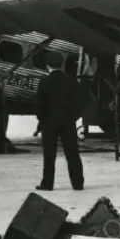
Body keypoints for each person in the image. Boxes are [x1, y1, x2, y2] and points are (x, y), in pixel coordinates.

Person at [34, 51, 84, 191]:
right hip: (68, 120)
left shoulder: (44, 82)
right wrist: (74, 116)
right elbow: (80, 102)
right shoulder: (71, 81)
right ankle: (77, 183)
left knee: (49, 154)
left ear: (48, 66)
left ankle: (47, 183)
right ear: (61, 64)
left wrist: (42, 119)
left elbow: (39, 105)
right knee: (72, 153)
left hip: (49, 122)